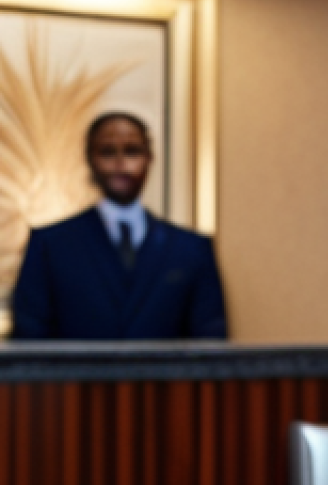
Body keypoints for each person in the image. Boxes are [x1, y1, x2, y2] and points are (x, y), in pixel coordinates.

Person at [11, 111, 227, 340]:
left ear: (149, 158)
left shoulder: (191, 249)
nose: (121, 163)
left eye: (132, 151)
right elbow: (30, 343)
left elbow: (210, 347)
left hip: (165, 377)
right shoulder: (50, 245)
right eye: (107, 152)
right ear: (90, 159)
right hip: (77, 376)